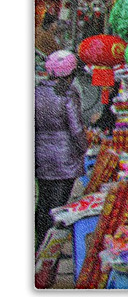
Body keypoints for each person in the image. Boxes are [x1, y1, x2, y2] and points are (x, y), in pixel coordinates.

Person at [34, 65, 87, 250]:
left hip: (40, 157)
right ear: (70, 75)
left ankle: (39, 243)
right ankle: (49, 252)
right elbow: (76, 129)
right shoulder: (67, 94)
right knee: (58, 205)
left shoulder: (36, 91)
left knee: (44, 201)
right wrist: (84, 148)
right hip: (65, 158)